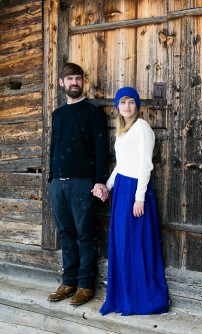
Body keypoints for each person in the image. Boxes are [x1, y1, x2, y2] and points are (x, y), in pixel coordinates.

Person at [97, 86, 169, 315]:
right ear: (117, 106)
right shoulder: (123, 130)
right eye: (123, 102)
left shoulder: (142, 128)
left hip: (136, 191)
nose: (127, 106)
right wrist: (107, 186)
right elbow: (122, 164)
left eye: (131, 102)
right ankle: (122, 295)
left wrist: (139, 198)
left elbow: (145, 165)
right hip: (121, 189)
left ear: (136, 105)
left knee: (135, 243)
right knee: (120, 243)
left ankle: (140, 297)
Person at [47, 62, 109, 306]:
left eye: (78, 78)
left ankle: (85, 285)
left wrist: (99, 181)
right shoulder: (58, 114)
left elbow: (101, 149)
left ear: (83, 82)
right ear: (62, 83)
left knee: (85, 234)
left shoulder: (92, 111)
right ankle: (68, 281)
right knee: (65, 233)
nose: (74, 82)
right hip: (58, 185)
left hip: (83, 184)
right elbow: (53, 148)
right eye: (70, 78)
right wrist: (51, 180)